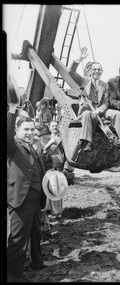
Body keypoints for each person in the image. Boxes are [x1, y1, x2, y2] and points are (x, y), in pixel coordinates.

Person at [7, 102, 46, 282]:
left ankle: (37, 262)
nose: (30, 132)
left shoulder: (34, 146)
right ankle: (12, 276)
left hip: (36, 198)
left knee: (36, 233)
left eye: (32, 129)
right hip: (21, 200)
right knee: (18, 240)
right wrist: (13, 110)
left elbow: (39, 169)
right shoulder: (12, 145)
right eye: (26, 129)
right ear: (16, 130)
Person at [68, 47, 112, 152]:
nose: (96, 72)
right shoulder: (84, 81)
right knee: (87, 114)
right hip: (85, 112)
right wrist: (80, 58)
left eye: (99, 70)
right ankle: (86, 143)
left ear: (101, 72)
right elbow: (70, 72)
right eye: (94, 69)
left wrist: (99, 110)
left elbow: (106, 103)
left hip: (97, 114)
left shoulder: (105, 85)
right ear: (90, 71)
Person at [39, 124, 66, 233]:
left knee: (49, 202)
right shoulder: (39, 145)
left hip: (50, 177)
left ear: (49, 135)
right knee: (43, 203)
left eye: (46, 134)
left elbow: (59, 162)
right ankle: (45, 223)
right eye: (42, 135)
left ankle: (47, 223)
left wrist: (52, 167)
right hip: (42, 177)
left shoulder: (53, 146)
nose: (44, 137)